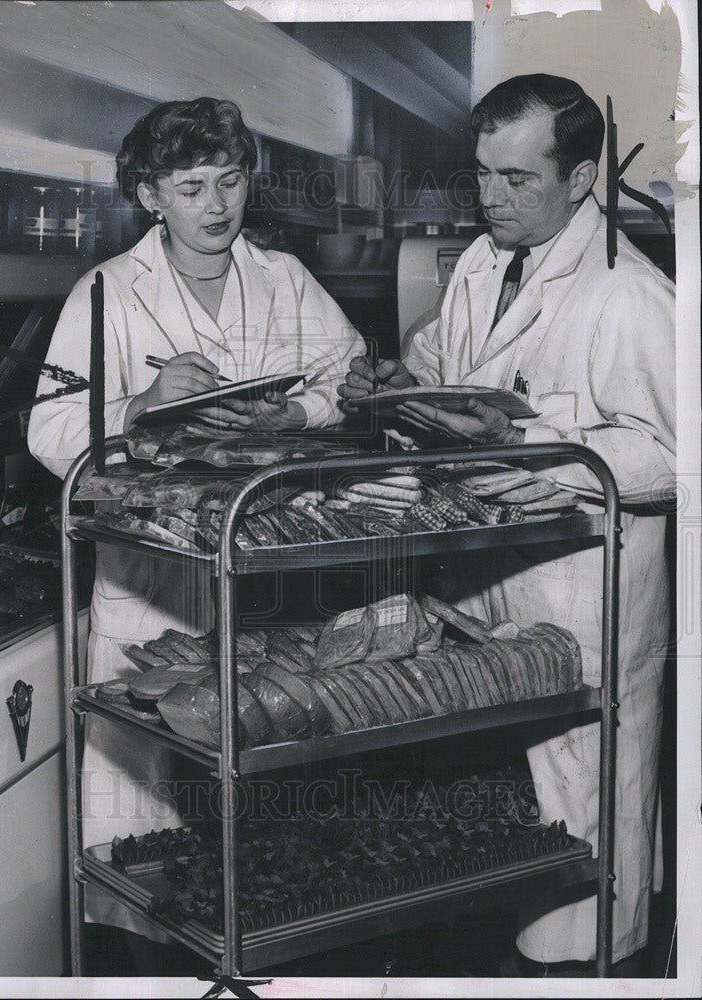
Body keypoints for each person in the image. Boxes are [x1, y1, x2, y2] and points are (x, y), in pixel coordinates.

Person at [339, 73, 675, 975]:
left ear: (580, 180)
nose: (491, 198)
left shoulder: (628, 294)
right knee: (503, 848)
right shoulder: (487, 259)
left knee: (584, 854)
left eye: (517, 180)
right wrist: (406, 386)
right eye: (481, 175)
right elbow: (454, 360)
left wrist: (562, 463)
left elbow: (680, 454)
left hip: (583, 610)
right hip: (489, 596)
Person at [29, 97, 364, 953]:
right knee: (142, 835)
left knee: (254, 812)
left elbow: (352, 375)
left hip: (263, 585)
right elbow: (49, 432)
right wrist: (140, 406)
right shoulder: (104, 293)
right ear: (150, 196)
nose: (217, 205)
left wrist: (300, 413)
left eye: (231, 180)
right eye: (191, 187)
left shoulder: (284, 277)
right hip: (148, 591)